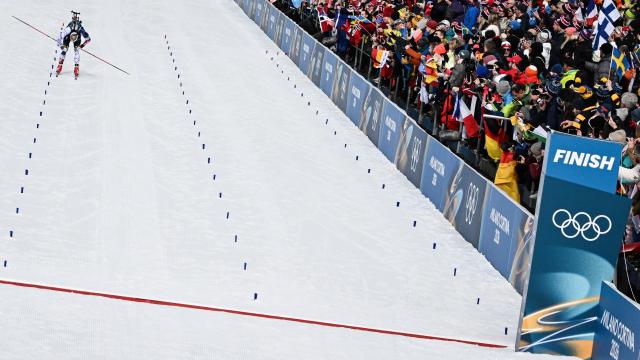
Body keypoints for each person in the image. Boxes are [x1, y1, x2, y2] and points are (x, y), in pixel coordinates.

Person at [56, 11, 91, 78]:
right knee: (65, 49)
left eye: (73, 39)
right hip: (67, 36)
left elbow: (88, 39)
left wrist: (82, 45)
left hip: (77, 37)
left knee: (76, 50)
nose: (72, 40)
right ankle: (59, 65)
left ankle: (76, 68)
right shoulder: (68, 30)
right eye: (72, 39)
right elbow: (59, 38)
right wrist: (61, 46)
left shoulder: (81, 31)